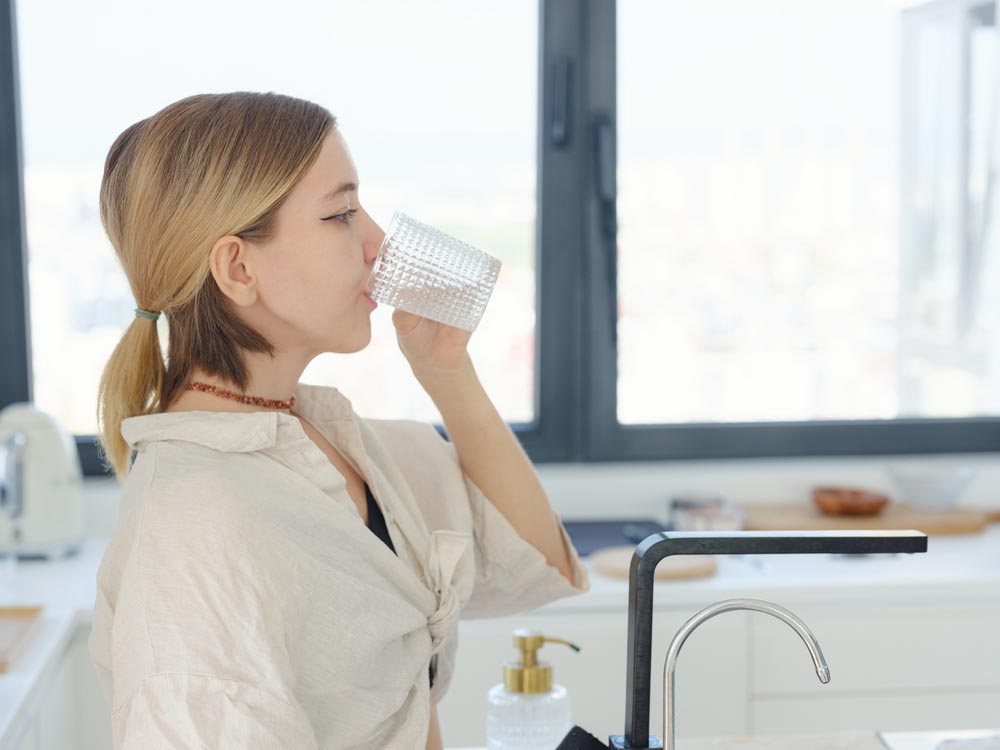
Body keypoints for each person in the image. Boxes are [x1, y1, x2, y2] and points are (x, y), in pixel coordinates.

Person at [88, 91, 590, 749]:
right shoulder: (195, 523)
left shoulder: (330, 434)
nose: (377, 242)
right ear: (238, 268)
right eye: (342, 214)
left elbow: (534, 565)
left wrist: (446, 372)